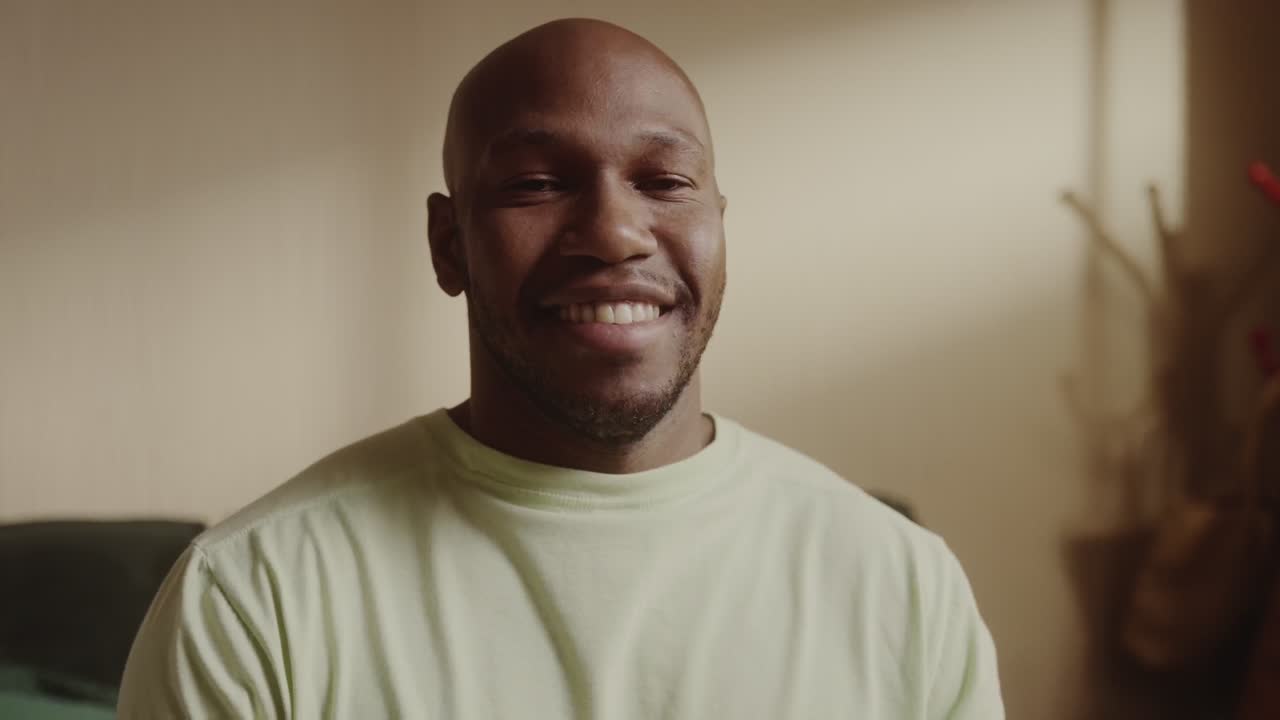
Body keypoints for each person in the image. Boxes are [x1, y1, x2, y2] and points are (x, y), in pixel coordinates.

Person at [118, 18, 1003, 719]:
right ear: (447, 243)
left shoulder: (901, 586)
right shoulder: (252, 598)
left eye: (664, 182)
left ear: (721, 227)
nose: (617, 233)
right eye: (538, 184)